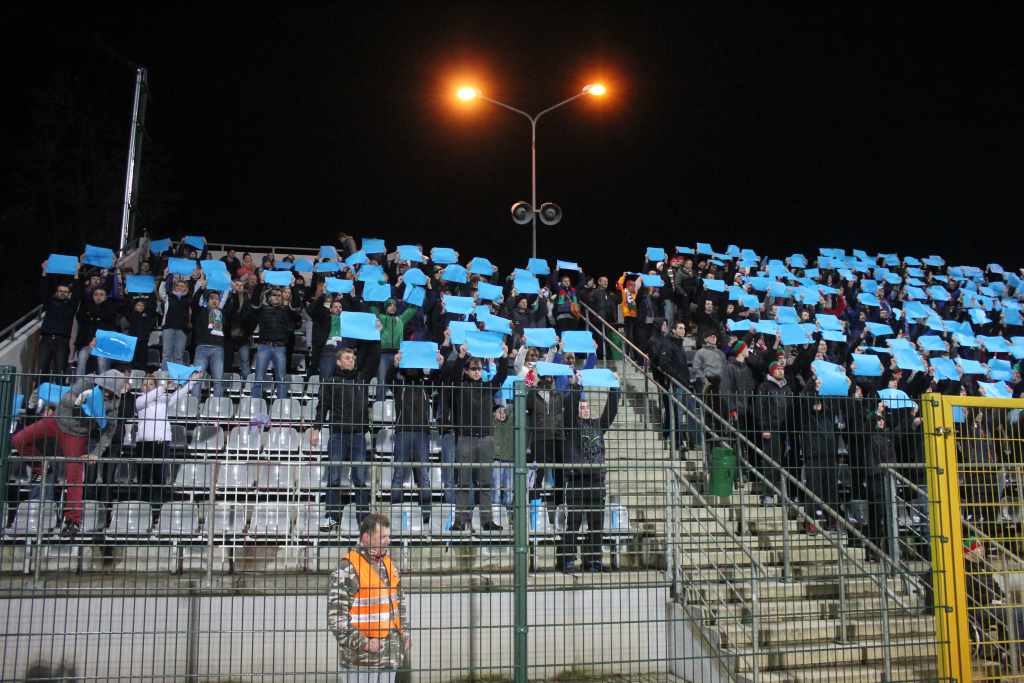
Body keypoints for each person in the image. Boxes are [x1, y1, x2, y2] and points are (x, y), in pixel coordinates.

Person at [11, 369, 128, 536]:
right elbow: (66, 398)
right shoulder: (89, 381)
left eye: (111, 391)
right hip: (56, 421)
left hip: (77, 435)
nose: (108, 393)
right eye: (105, 389)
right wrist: (81, 400)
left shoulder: (114, 404)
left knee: (74, 475)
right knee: (18, 440)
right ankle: (40, 466)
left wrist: (96, 453)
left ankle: (73, 521)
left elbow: (109, 432)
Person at [327, 513, 410, 683]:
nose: (388, 541)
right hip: (360, 662)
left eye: (388, 536)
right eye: (382, 537)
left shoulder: (390, 566)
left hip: (389, 658)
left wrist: (404, 633)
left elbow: (399, 606)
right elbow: (336, 619)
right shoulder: (347, 569)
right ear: (366, 537)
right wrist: (364, 643)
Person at [441, 344, 509, 532]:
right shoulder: (459, 387)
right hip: (465, 439)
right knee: (463, 483)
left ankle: (487, 521)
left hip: (486, 439)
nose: (477, 371)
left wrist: (504, 357)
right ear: (466, 370)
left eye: (479, 368)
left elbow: (501, 376)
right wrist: (461, 356)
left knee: (485, 483)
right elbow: (453, 376)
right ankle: (460, 521)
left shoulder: (488, 388)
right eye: (473, 368)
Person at [314, 341, 381, 530]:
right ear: (338, 362)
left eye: (353, 358)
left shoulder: (362, 378)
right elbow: (322, 405)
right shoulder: (330, 381)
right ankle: (332, 517)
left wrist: (375, 337)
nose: (351, 360)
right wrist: (316, 428)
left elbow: (374, 358)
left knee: (360, 479)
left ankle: (363, 518)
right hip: (338, 434)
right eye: (347, 358)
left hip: (358, 434)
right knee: (334, 477)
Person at [558, 381, 619, 572]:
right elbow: (569, 409)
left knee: (596, 524)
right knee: (573, 523)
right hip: (576, 481)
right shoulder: (570, 425)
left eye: (586, 407)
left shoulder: (598, 425)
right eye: (581, 407)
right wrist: (576, 387)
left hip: (596, 481)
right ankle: (568, 560)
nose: (584, 410)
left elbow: (611, 412)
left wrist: (614, 389)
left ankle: (594, 560)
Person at [386, 349, 445, 524]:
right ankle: (395, 513)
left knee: (423, 475)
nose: (412, 367)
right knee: (398, 473)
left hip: (422, 433)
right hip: (403, 431)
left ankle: (426, 515)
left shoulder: (426, 385)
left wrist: (438, 364)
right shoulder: (399, 384)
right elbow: (388, 378)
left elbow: (438, 379)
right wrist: (394, 363)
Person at [246, 275, 302, 399]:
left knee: (281, 379)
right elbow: (254, 303)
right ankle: (256, 404)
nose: (277, 297)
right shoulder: (262, 310)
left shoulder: (287, 310)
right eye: (274, 295)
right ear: (269, 297)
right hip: (263, 346)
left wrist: (293, 287)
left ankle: (281, 405)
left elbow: (297, 306)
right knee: (258, 378)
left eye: (279, 295)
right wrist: (260, 284)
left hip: (280, 348)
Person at [190, 280, 238, 398]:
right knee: (196, 380)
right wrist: (201, 289)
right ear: (207, 300)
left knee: (218, 381)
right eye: (212, 298)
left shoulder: (223, 313)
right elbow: (194, 303)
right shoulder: (201, 311)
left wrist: (234, 293)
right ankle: (194, 405)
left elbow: (234, 308)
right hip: (202, 348)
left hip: (218, 349)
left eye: (217, 298)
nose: (214, 300)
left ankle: (217, 407)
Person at [37, 259, 81, 381]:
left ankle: (59, 392)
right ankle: (41, 391)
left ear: (68, 294)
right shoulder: (49, 302)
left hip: (62, 341)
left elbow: (77, 293)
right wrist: (44, 271)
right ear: (56, 292)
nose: (62, 293)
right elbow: (43, 290)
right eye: (60, 291)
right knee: (42, 369)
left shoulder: (71, 306)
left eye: (65, 292)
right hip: (46, 339)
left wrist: (76, 273)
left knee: (60, 370)